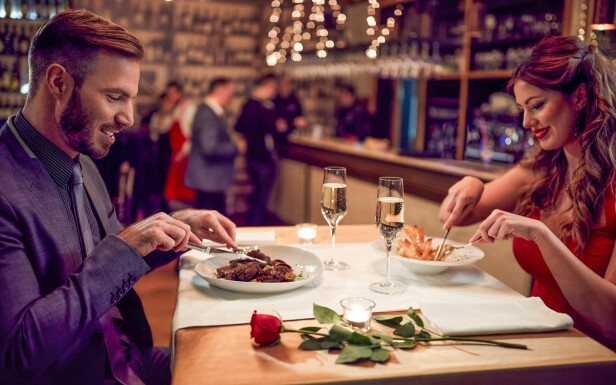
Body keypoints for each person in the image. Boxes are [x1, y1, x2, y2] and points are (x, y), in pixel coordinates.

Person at [0, 10, 237, 385]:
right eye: (115, 97)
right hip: (82, 374)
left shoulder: (81, 159)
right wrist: (126, 246)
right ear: (58, 82)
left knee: (237, 361)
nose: (127, 117)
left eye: (131, 100)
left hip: (131, 356)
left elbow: (111, 254)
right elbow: (18, 351)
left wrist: (173, 228)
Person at [439, 36, 616, 350]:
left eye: (537, 106)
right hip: (538, 342)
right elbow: (453, 216)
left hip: (593, 358)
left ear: (579, 97)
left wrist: (542, 236)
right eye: (522, 108)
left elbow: (611, 319)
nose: (526, 121)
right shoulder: (543, 167)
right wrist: (474, 185)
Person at [185, 77, 238, 215]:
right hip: (209, 179)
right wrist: (235, 146)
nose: (231, 97)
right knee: (211, 226)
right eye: (230, 93)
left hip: (209, 179)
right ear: (220, 91)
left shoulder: (207, 110)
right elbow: (210, 147)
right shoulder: (208, 113)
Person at [235, 74, 279, 226]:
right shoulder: (263, 108)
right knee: (261, 198)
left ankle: (253, 227)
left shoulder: (247, 105)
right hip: (263, 157)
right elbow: (273, 131)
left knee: (257, 196)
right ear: (269, 86)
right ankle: (256, 228)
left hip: (251, 157)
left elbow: (238, 127)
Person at [152, 81, 197, 212]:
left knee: (184, 193)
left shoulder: (189, 109)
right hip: (172, 157)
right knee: (171, 193)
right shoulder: (172, 110)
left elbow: (193, 135)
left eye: (173, 93)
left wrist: (182, 152)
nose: (170, 96)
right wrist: (164, 112)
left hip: (184, 157)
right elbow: (161, 129)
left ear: (179, 93)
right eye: (168, 93)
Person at [273, 75, 306, 143]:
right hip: (276, 136)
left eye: (287, 84)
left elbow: (300, 118)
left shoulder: (295, 100)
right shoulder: (274, 99)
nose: (285, 86)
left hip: (291, 135)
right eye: (283, 84)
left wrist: (298, 122)